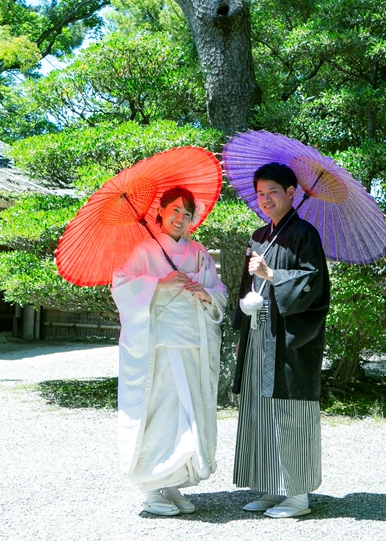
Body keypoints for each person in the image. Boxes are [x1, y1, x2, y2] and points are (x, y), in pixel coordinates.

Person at [112, 186, 229, 516]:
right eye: (174, 210)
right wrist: (158, 286)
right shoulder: (146, 251)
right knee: (161, 416)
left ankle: (172, 485)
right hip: (161, 346)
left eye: (187, 214)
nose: (180, 218)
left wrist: (206, 294)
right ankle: (153, 489)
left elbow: (218, 291)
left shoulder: (200, 252)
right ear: (160, 212)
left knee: (188, 414)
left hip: (193, 342)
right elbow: (121, 286)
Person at [231, 162, 330, 518]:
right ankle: (271, 487)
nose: (266, 199)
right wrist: (242, 328)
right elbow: (246, 288)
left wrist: (270, 273)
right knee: (260, 410)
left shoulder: (306, 235)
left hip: (289, 340)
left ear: (292, 192)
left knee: (291, 410)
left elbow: (311, 286)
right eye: (260, 193)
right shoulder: (259, 236)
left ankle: (298, 494)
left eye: (273, 191)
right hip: (259, 334)